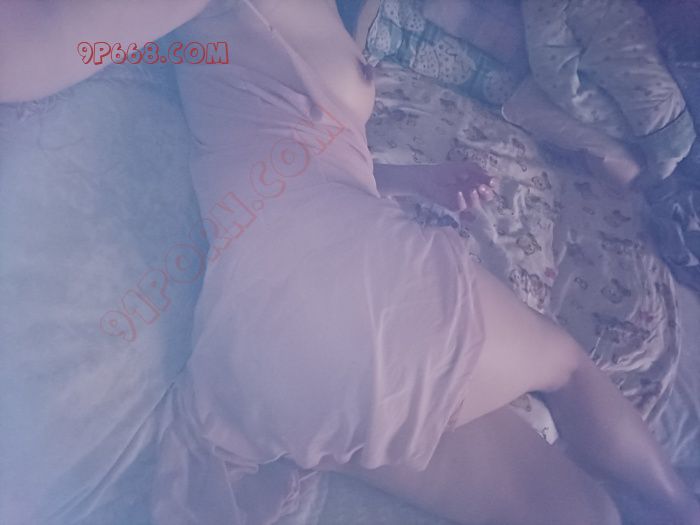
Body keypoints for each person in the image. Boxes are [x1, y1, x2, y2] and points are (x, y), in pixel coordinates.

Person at [2, 1, 699, 524]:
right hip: (332, 280)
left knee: (579, 510)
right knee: (569, 369)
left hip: (269, 345)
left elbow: (293, 150)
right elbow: (34, 47)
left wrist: (413, 180)